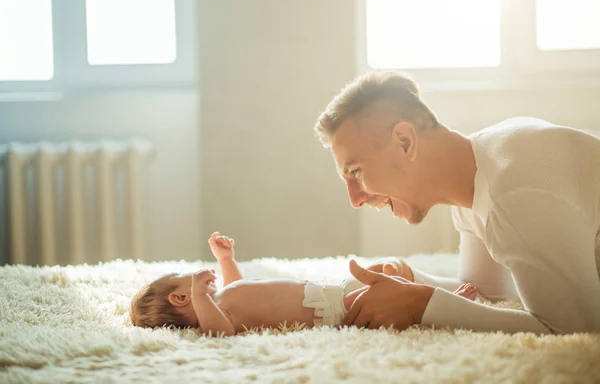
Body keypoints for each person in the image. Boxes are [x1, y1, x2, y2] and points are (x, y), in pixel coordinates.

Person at [313, 70, 600, 334]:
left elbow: (573, 329)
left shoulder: (515, 192)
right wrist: (412, 278)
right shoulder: (475, 182)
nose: (355, 199)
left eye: (356, 172)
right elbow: (485, 292)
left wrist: (418, 305)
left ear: (404, 142)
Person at [130, 232, 478, 335]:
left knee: (385, 272)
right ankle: (450, 302)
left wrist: (226, 261)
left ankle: (444, 290)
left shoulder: (223, 299)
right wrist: (200, 297)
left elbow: (237, 287)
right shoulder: (214, 317)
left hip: (325, 293)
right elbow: (220, 332)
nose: (195, 276)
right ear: (180, 297)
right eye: (185, 279)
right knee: (390, 292)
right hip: (330, 310)